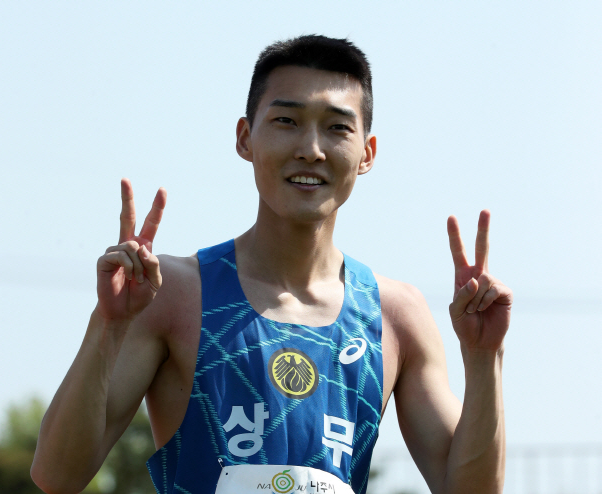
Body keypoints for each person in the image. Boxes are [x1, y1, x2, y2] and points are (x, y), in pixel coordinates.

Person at [31, 35, 512, 494]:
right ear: (245, 138)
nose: (311, 149)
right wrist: (109, 326)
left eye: (337, 127)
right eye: (286, 121)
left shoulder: (396, 316)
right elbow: (57, 476)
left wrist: (485, 357)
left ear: (366, 153)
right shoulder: (172, 293)